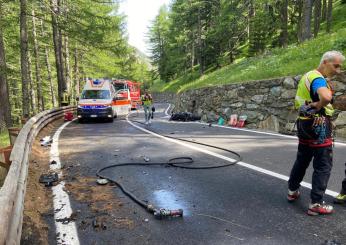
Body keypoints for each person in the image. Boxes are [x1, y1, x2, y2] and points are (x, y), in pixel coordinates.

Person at [287, 50, 345, 216]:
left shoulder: (308, 76)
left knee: (302, 159)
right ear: (325, 62)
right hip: (318, 125)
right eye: (336, 66)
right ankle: (316, 204)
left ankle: (292, 191)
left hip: (304, 123)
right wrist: (320, 105)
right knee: (323, 165)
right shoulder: (317, 77)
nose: (338, 71)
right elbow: (326, 97)